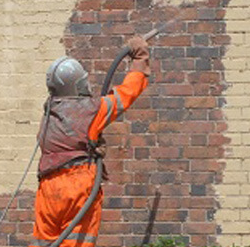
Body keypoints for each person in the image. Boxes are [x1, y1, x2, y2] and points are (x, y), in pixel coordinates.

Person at [30, 36, 150, 247]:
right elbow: (127, 93)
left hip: (48, 188)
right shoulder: (92, 110)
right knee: (77, 242)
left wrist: (92, 146)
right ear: (78, 84)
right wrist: (139, 59)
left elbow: (66, 144)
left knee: (45, 242)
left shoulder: (50, 111)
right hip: (77, 186)